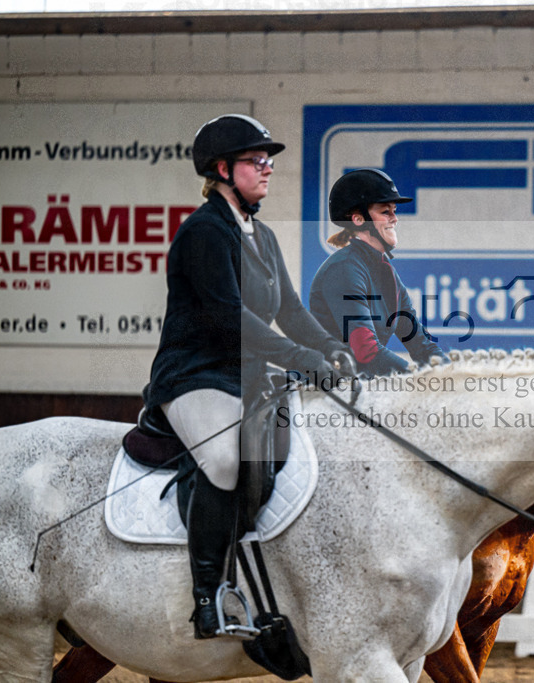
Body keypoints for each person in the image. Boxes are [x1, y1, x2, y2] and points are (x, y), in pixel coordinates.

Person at [142, 114, 354, 639]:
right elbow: (228, 320)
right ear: (222, 169)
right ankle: (208, 595)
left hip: (249, 378)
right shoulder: (203, 233)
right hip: (196, 377)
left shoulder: (262, 233)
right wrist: (300, 358)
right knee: (224, 458)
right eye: (256, 161)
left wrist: (328, 346)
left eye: (269, 161)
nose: (268, 169)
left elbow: (289, 309)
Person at [309, 168, 447, 376]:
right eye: (385, 212)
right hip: (326, 393)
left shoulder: (385, 271)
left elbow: (421, 345)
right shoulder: (344, 268)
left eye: (394, 211)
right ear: (358, 219)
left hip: (361, 391)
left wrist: (453, 376)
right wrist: (417, 381)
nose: (395, 218)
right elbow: (366, 351)